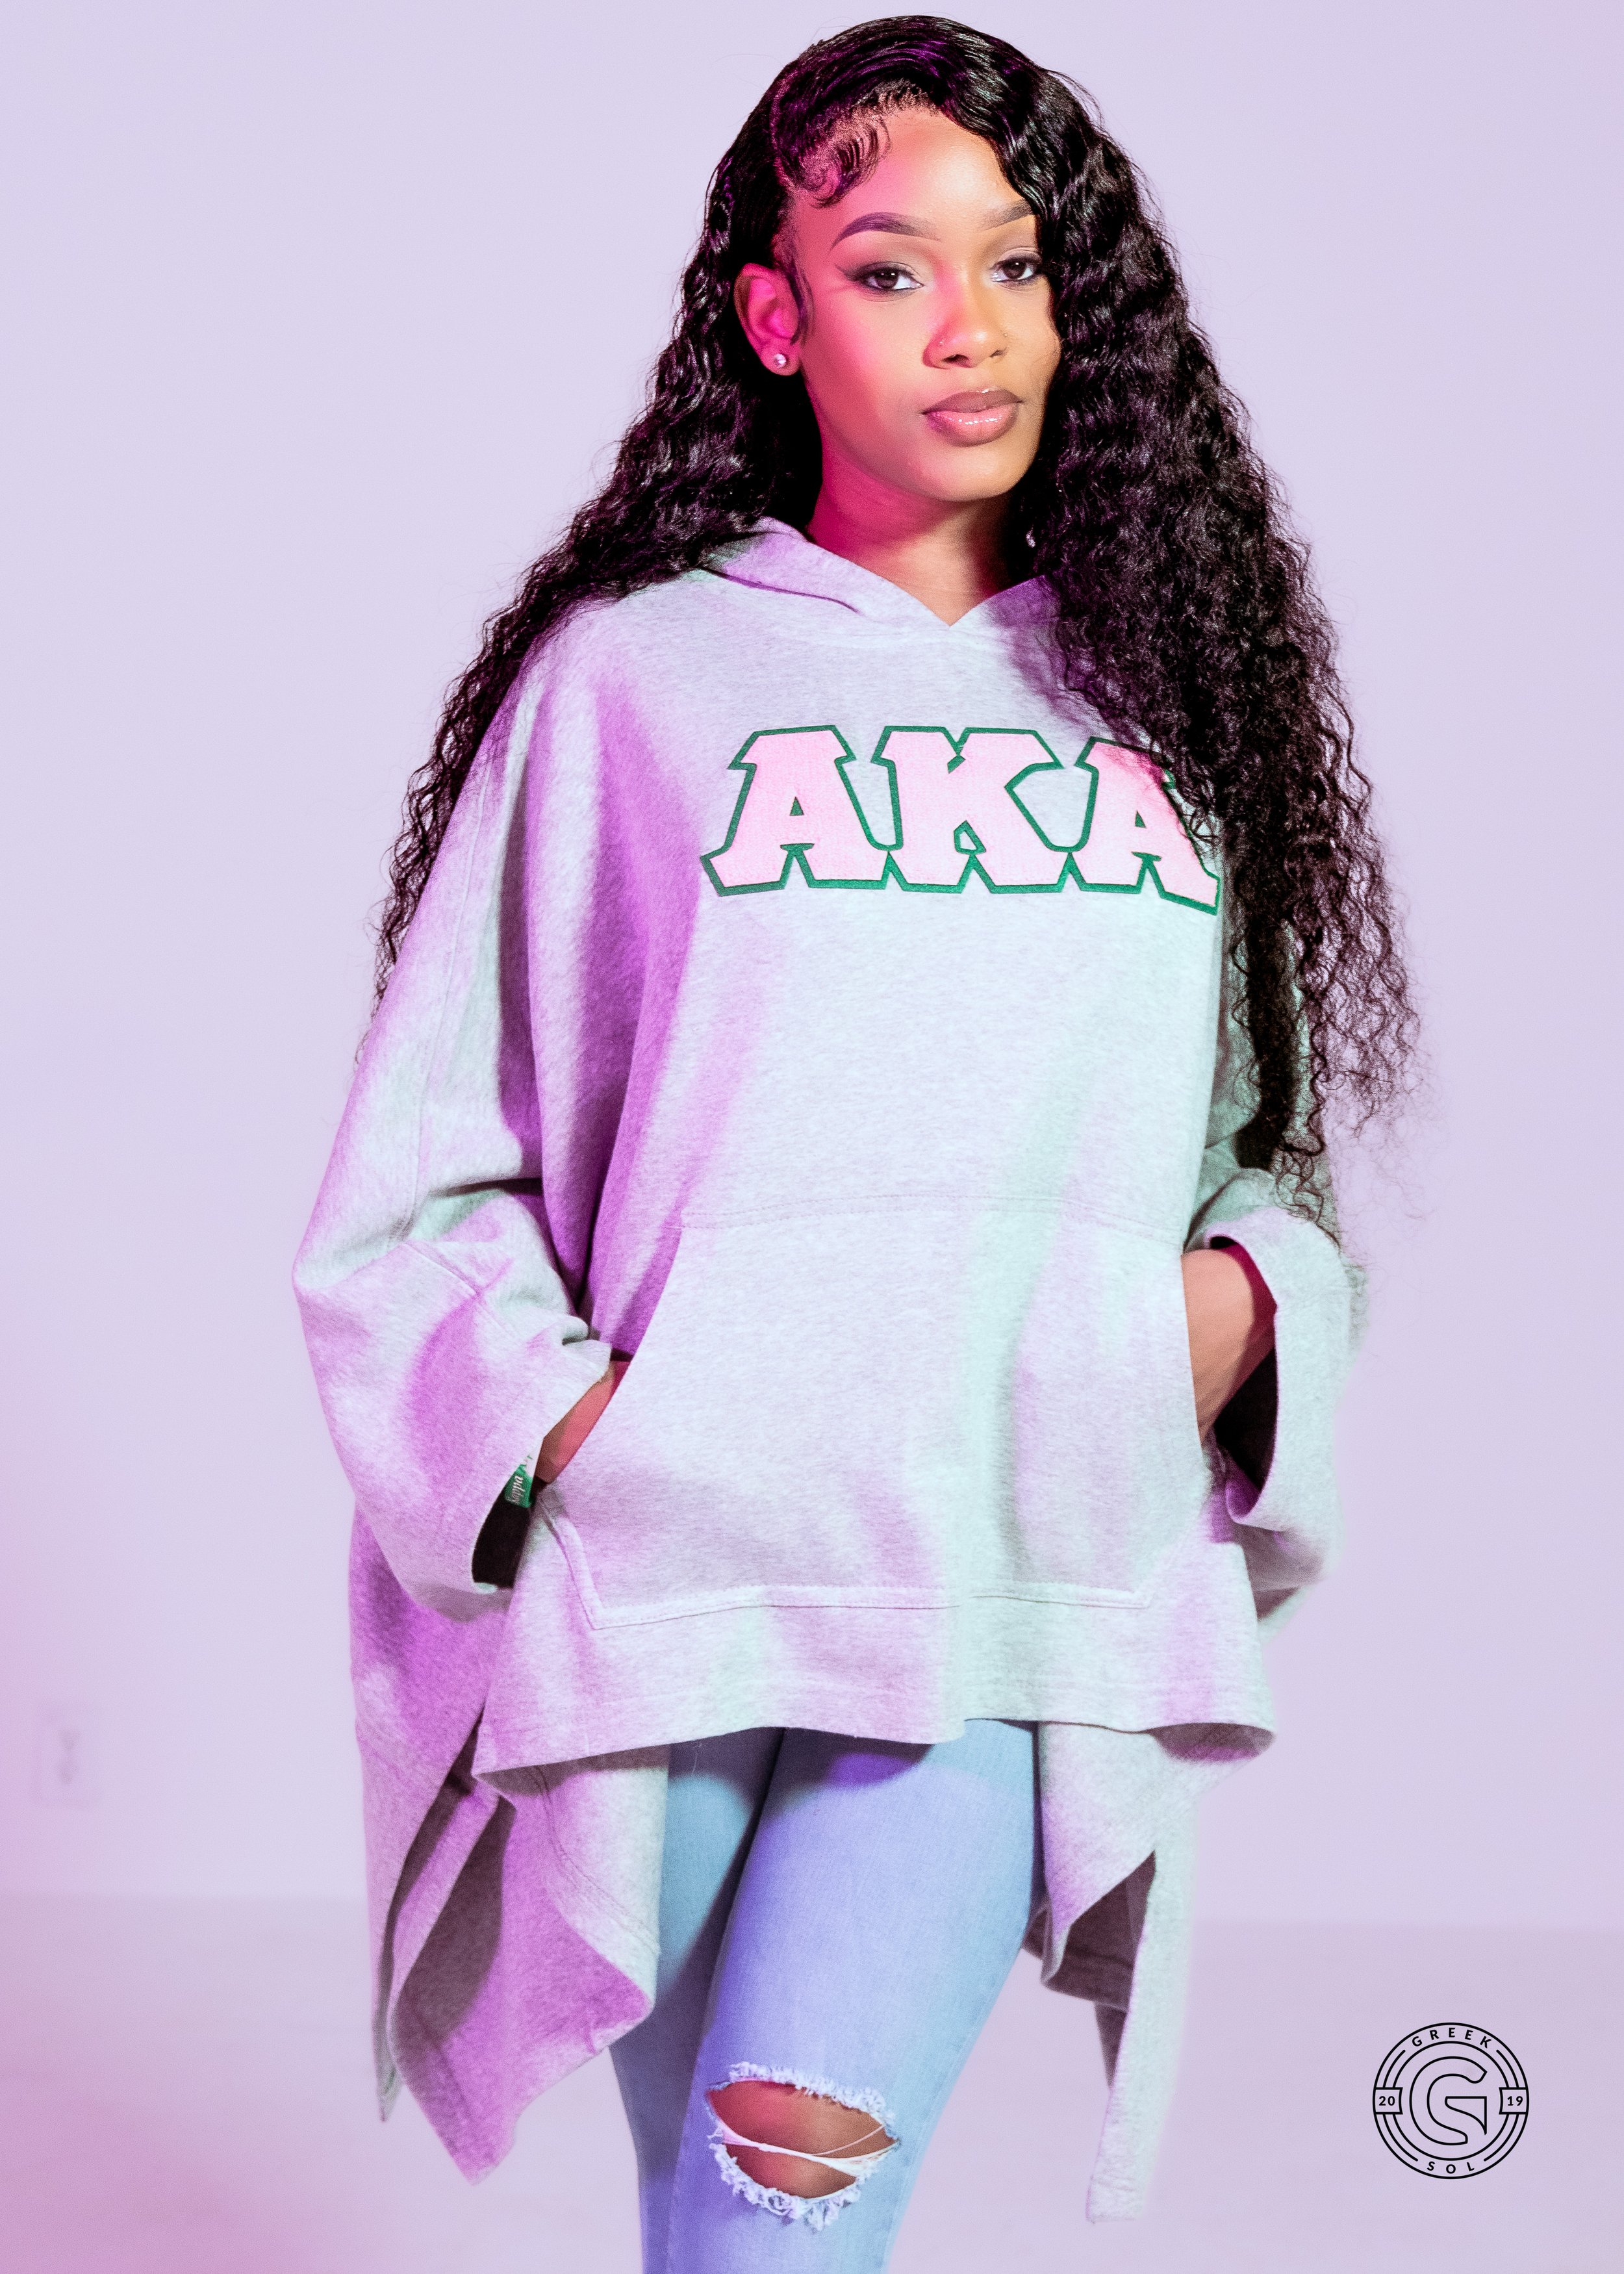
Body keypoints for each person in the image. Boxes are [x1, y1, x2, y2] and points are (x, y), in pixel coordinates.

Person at [295, 17, 1412, 2269]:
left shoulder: (1173, 702)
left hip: (992, 1598)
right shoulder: (629, 682)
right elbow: (419, 1176)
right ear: (776, 317)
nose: (967, 323)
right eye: (890, 269)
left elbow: (1256, 1161)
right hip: (678, 1592)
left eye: (1016, 263)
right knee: (707, 2231)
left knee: (776, 2226)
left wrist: (1217, 1319)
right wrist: (592, 1431)